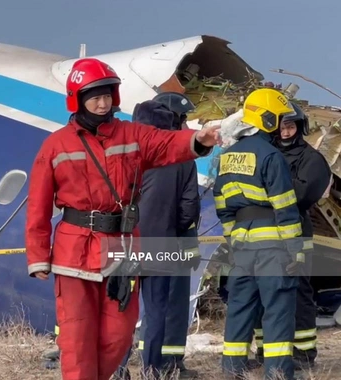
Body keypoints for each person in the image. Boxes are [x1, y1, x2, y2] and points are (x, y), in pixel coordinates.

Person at [25, 57, 219, 380]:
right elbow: (38, 206)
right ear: (78, 99)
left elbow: (165, 143)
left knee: (118, 335)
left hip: (120, 248)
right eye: (95, 97)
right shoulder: (55, 146)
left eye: (107, 96)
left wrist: (197, 141)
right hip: (75, 251)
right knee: (77, 337)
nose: (102, 104)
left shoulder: (131, 135)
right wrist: (37, 256)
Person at [213, 87, 305, 380]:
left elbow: (221, 204)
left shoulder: (227, 157)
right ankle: (278, 373)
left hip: (242, 245)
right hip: (273, 247)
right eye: (279, 120)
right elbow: (285, 206)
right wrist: (295, 250)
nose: (281, 126)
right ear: (267, 119)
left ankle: (232, 370)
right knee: (277, 310)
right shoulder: (271, 156)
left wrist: (234, 239)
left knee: (240, 308)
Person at [114, 93, 202, 379]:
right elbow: (189, 207)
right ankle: (152, 370)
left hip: (124, 242)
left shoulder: (120, 153)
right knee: (156, 310)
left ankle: (117, 368)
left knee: (121, 308)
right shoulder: (183, 158)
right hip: (162, 242)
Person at [250, 101, 332, 371]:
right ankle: (267, 349)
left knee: (297, 292)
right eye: (281, 126)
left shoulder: (312, 160)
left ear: (300, 127)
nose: (285, 132)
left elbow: (302, 195)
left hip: (295, 233)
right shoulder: (265, 153)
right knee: (263, 292)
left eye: (290, 126)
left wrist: (267, 190)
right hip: (263, 234)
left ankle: (304, 352)